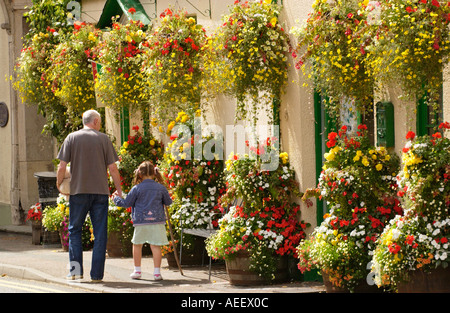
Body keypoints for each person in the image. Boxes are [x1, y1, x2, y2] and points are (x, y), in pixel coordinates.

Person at [56, 109, 122, 282]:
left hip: (78, 192)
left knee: (75, 231)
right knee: (100, 234)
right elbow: (113, 168)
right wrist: (119, 190)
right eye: (99, 121)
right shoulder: (103, 139)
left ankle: (76, 272)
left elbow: (62, 166)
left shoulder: (72, 138)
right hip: (100, 193)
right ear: (96, 121)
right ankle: (97, 275)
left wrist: (59, 183)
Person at [113, 161, 172, 281]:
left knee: (137, 245)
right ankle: (156, 273)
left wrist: (116, 199)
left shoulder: (137, 188)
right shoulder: (160, 187)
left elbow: (127, 203)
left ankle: (137, 271)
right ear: (154, 174)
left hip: (141, 221)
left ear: (140, 174)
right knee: (155, 246)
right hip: (157, 221)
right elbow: (168, 202)